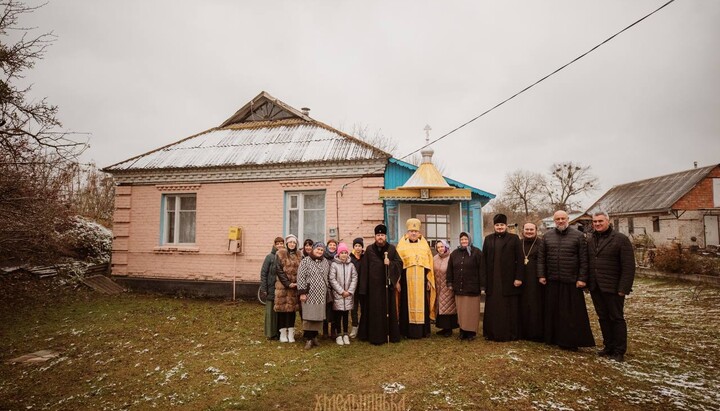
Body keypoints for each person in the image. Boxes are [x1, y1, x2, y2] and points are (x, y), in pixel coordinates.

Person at [537, 210, 595, 351]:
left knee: (570, 314)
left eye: (563, 218)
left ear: (568, 219)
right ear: (554, 220)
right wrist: (541, 275)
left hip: (571, 281)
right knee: (553, 311)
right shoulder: (547, 237)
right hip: (553, 279)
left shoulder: (579, 236)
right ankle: (553, 338)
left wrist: (582, 278)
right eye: (558, 219)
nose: (561, 221)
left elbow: (584, 259)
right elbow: (541, 258)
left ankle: (570, 341)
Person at [588, 211, 636, 362]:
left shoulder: (620, 239)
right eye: (595, 221)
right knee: (603, 317)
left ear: (608, 221)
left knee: (616, 318)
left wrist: (624, 288)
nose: (597, 224)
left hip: (613, 287)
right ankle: (608, 346)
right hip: (596, 286)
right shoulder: (591, 239)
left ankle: (619, 350)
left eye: (600, 221)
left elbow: (628, 266)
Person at [357, 224, 402, 345]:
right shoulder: (370, 250)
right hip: (373, 288)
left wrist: (390, 263)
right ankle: (375, 336)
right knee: (374, 311)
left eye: (382, 235)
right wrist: (363, 288)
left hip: (387, 287)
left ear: (386, 236)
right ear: (375, 236)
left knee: (388, 309)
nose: (380, 237)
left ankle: (389, 334)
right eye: (378, 235)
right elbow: (364, 269)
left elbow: (399, 263)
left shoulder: (391, 249)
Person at [482, 214, 524, 342]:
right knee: (493, 308)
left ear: (506, 225)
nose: (499, 227)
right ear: (494, 226)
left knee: (508, 309)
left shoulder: (514, 238)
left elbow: (520, 260)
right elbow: (484, 261)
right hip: (493, 281)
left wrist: (519, 277)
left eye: (502, 225)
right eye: (497, 225)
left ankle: (509, 334)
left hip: (508, 280)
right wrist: (484, 282)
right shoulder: (488, 239)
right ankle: (492, 333)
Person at [396, 218, 436, 339]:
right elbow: (397, 265)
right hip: (406, 282)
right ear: (407, 232)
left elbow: (429, 264)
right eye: (411, 231)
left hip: (421, 281)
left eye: (416, 231)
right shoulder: (401, 245)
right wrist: (397, 281)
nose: (413, 233)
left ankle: (423, 331)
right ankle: (406, 332)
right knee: (405, 304)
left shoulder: (425, 246)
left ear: (419, 233)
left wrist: (429, 280)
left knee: (423, 304)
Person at [447, 232, 484, 340]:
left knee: (472, 311)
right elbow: (450, 270)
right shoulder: (454, 253)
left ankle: (471, 332)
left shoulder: (477, 253)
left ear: (470, 240)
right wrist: (450, 283)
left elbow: (482, 270)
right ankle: (462, 331)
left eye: (465, 239)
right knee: (461, 311)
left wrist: (482, 286)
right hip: (459, 287)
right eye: (462, 239)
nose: (463, 241)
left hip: (472, 287)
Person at [297, 241, 331, 350]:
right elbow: (301, 277)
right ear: (313, 249)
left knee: (318, 317)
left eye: (322, 250)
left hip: (321, 294)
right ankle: (308, 338)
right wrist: (302, 292)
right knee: (308, 316)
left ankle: (315, 336)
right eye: (318, 249)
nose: (319, 251)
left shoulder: (325, 262)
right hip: (309, 293)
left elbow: (327, 277)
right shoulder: (305, 261)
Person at [274, 234, 302, 343]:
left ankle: (291, 332)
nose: (292, 244)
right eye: (290, 242)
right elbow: (278, 270)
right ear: (287, 243)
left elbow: (302, 270)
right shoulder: (280, 254)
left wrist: (296, 283)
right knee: (282, 310)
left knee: (291, 311)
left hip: (295, 287)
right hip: (282, 287)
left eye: (294, 242)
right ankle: (282, 333)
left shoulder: (299, 255)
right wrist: (287, 283)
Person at [519, 223, 545, 342]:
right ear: (523, 230)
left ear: (536, 230)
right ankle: (522, 331)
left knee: (535, 305)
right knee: (522, 304)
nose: (529, 231)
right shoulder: (519, 243)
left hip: (536, 279)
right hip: (521, 279)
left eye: (531, 229)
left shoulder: (541, 243)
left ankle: (535, 333)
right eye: (527, 229)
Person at [329, 242, 358, 345]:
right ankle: (338, 334)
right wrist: (341, 291)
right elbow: (332, 279)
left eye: (346, 252)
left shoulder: (351, 265)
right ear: (338, 254)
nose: (344, 255)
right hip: (338, 295)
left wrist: (349, 291)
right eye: (342, 253)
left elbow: (354, 278)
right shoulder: (334, 265)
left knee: (346, 315)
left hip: (348, 295)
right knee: (338, 315)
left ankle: (345, 334)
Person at [260, 236, 284, 340]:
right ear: (274, 245)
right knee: (271, 312)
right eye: (277, 243)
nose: (279, 245)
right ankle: (271, 333)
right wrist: (264, 288)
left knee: (280, 312)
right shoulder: (269, 257)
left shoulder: (284, 256)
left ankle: (280, 332)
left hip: (282, 289)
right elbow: (264, 273)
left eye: (281, 243)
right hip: (271, 288)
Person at [433, 240, 457, 337]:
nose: (440, 249)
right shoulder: (435, 258)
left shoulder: (451, 257)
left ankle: (449, 329)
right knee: (440, 307)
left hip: (448, 286)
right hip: (438, 286)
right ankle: (443, 328)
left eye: (442, 247)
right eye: (438, 247)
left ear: (446, 247)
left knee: (448, 307)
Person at [349, 237, 364, 338]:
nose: (358, 248)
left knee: (363, 307)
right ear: (353, 247)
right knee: (353, 308)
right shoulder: (350, 258)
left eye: (359, 246)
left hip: (363, 286)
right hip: (353, 287)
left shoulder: (365, 257)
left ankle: (363, 327)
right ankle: (355, 327)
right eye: (356, 246)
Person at [323, 238, 339, 338]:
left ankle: (333, 330)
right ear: (327, 246)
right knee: (325, 309)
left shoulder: (338, 258)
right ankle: (325, 331)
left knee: (334, 309)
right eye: (330, 245)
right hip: (325, 287)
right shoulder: (323, 257)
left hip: (335, 287)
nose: (332, 246)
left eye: (334, 245)